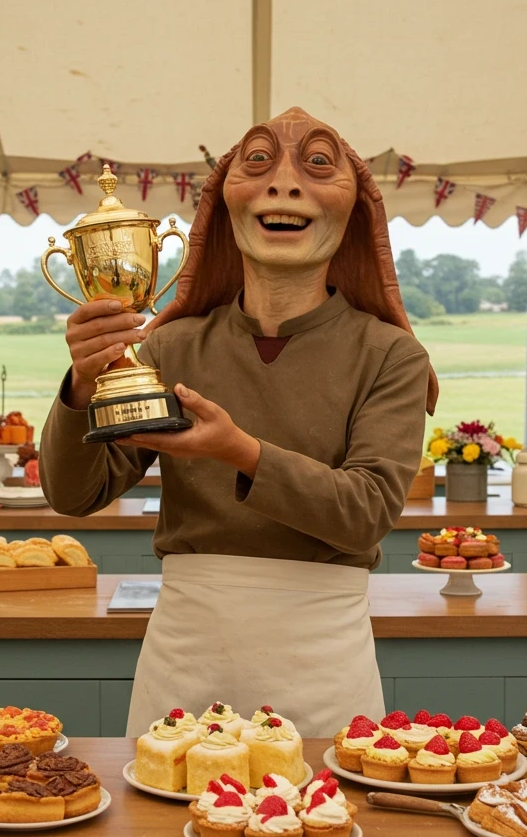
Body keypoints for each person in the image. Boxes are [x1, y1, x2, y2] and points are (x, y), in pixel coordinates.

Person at [39, 107, 437, 737]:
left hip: (322, 660)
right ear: (222, 207)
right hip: (187, 651)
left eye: (317, 164)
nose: (283, 184)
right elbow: (74, 495)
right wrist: (83, 386)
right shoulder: (170, 348)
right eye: (257, 162)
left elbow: (366, 511)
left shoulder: (390, 355)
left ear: (354, 210)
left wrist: (241, 452)